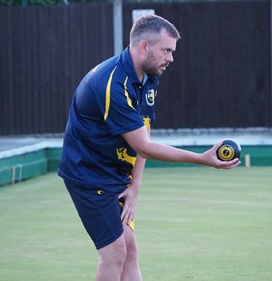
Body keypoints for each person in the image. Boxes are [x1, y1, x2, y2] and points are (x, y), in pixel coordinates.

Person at [58, 14, 240, 281]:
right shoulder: (114, 86)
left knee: (129, 247)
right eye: (166, 50)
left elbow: (143, 130)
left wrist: (134, 186)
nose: (171, 58)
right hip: (88, 174)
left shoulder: (147, 76)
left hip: (115, 172)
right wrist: (203, 159)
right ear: (144, 46)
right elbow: (144, 146)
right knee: (115, 251)